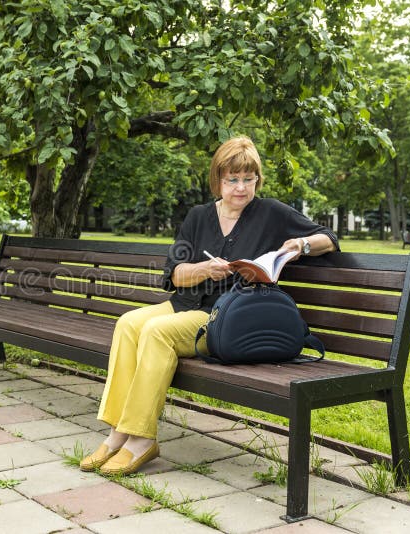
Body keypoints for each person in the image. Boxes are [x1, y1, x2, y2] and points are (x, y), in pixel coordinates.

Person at [79, 136, 339, 476]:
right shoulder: (198, 216)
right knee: (128, 323)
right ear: (218, 179)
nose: (241, 188)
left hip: (225, 318)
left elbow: (329, 239)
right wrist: (205, 269)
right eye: (233, 179)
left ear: (258, 180)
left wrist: (301, 244)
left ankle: (142, 439)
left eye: (249, 179)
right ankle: (117, 434)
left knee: (157, 332)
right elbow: (175, 275)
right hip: (185, 304)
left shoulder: (271, 213)